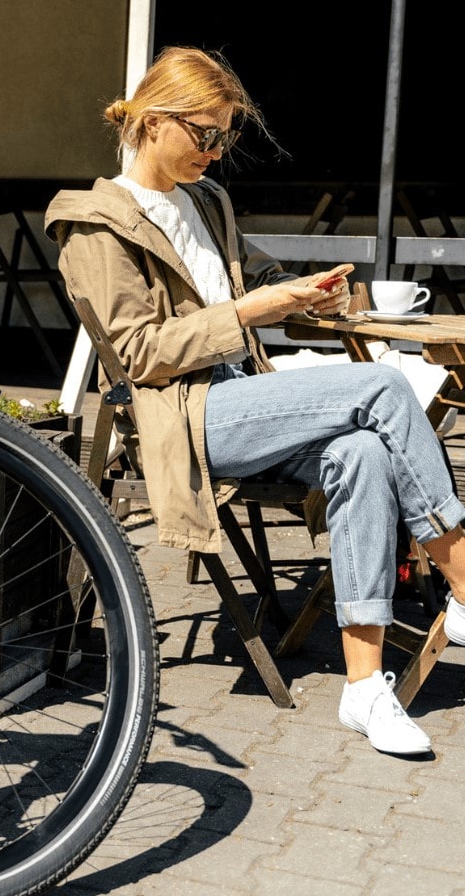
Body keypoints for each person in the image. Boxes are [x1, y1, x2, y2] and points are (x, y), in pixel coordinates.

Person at [45, 45, 465, 756]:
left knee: (362, 451)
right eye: (204, 133)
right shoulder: (94, 223)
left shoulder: (206, 202)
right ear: (153, 121)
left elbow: (249, 277)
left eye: (224, 136)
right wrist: (249, 313)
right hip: (189, 413)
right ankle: (462, 576)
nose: (215, 150)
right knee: (383, 387)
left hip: (255, 395)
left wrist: (302, 290)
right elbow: (142, 353)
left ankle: (364, 688)